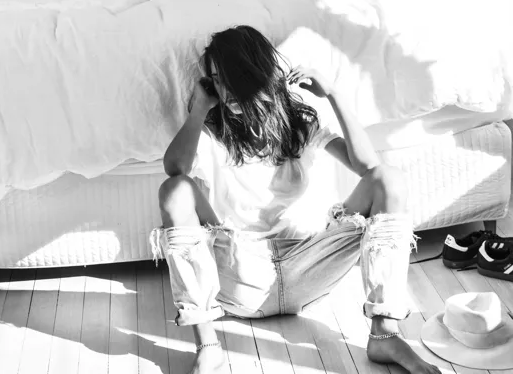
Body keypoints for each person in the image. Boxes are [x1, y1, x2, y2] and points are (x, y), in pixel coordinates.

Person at [151, 25, 441, 374]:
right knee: (175, 190)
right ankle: (207, 344)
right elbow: (175, 169)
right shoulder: (214, 129)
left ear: (255, 73)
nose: (225, 90)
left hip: (308, 265)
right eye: (216, 80)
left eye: (230, 77)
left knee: (388, 179)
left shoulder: (300, 124)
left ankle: (385, 334)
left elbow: (368, 166)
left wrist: (333, 93)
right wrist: (198, 111)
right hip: (239, 271)